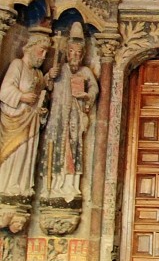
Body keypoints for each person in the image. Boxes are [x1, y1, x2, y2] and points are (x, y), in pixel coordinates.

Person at [42, 24, 98, 201]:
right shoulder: (59, 70)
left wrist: (86, 95)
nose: (75, 56)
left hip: (75, 118)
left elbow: (94, 90)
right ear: (67, 53)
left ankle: (70, 185)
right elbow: (45, 88)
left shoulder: (85, 72)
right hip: (57, 117)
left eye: (78, 53)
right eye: (71, 52)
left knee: (74, 149)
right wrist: (50, 76)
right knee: (54, 147)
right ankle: (51, 185)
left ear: (82, 55)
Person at [0, 32, 55, 198]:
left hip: (31, 123)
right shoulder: (17, 65)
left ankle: (21, 187)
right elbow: (4, 91)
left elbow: (41, 94)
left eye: (46, 52)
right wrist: (22, 97)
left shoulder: (38, 74)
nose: (44, 56)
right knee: (13, 154)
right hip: (15, 120)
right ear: (30, 48)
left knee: (26, 155)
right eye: (41, 51)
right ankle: (6, 187)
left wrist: (41, 110)